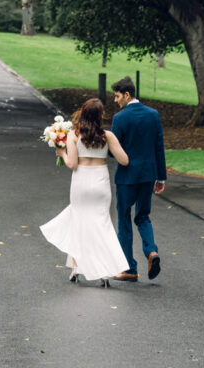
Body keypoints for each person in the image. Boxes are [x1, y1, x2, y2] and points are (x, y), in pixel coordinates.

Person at [40, 98, 130, 285]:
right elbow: (124, 160)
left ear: (83, 113)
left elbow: (72, 164)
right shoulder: (108, 136)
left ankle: (76, 268)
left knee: (78, 223)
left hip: (81, 182)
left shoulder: (74, 135)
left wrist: (61, 153)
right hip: (100, 183)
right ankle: (104, 272)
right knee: (101, 225)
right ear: (100, 116)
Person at [110, 75, 166, 282]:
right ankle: (152, 251)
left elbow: (113, 150)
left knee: (124, 218)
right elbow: (158, 147)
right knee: (143, 216)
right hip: (148, 175)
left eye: (117, 97)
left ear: (127, 95)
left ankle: (130, 268)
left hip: (126, 177)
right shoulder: (153, 115)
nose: (115, 101)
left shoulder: (120, 118)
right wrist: (161, 177)